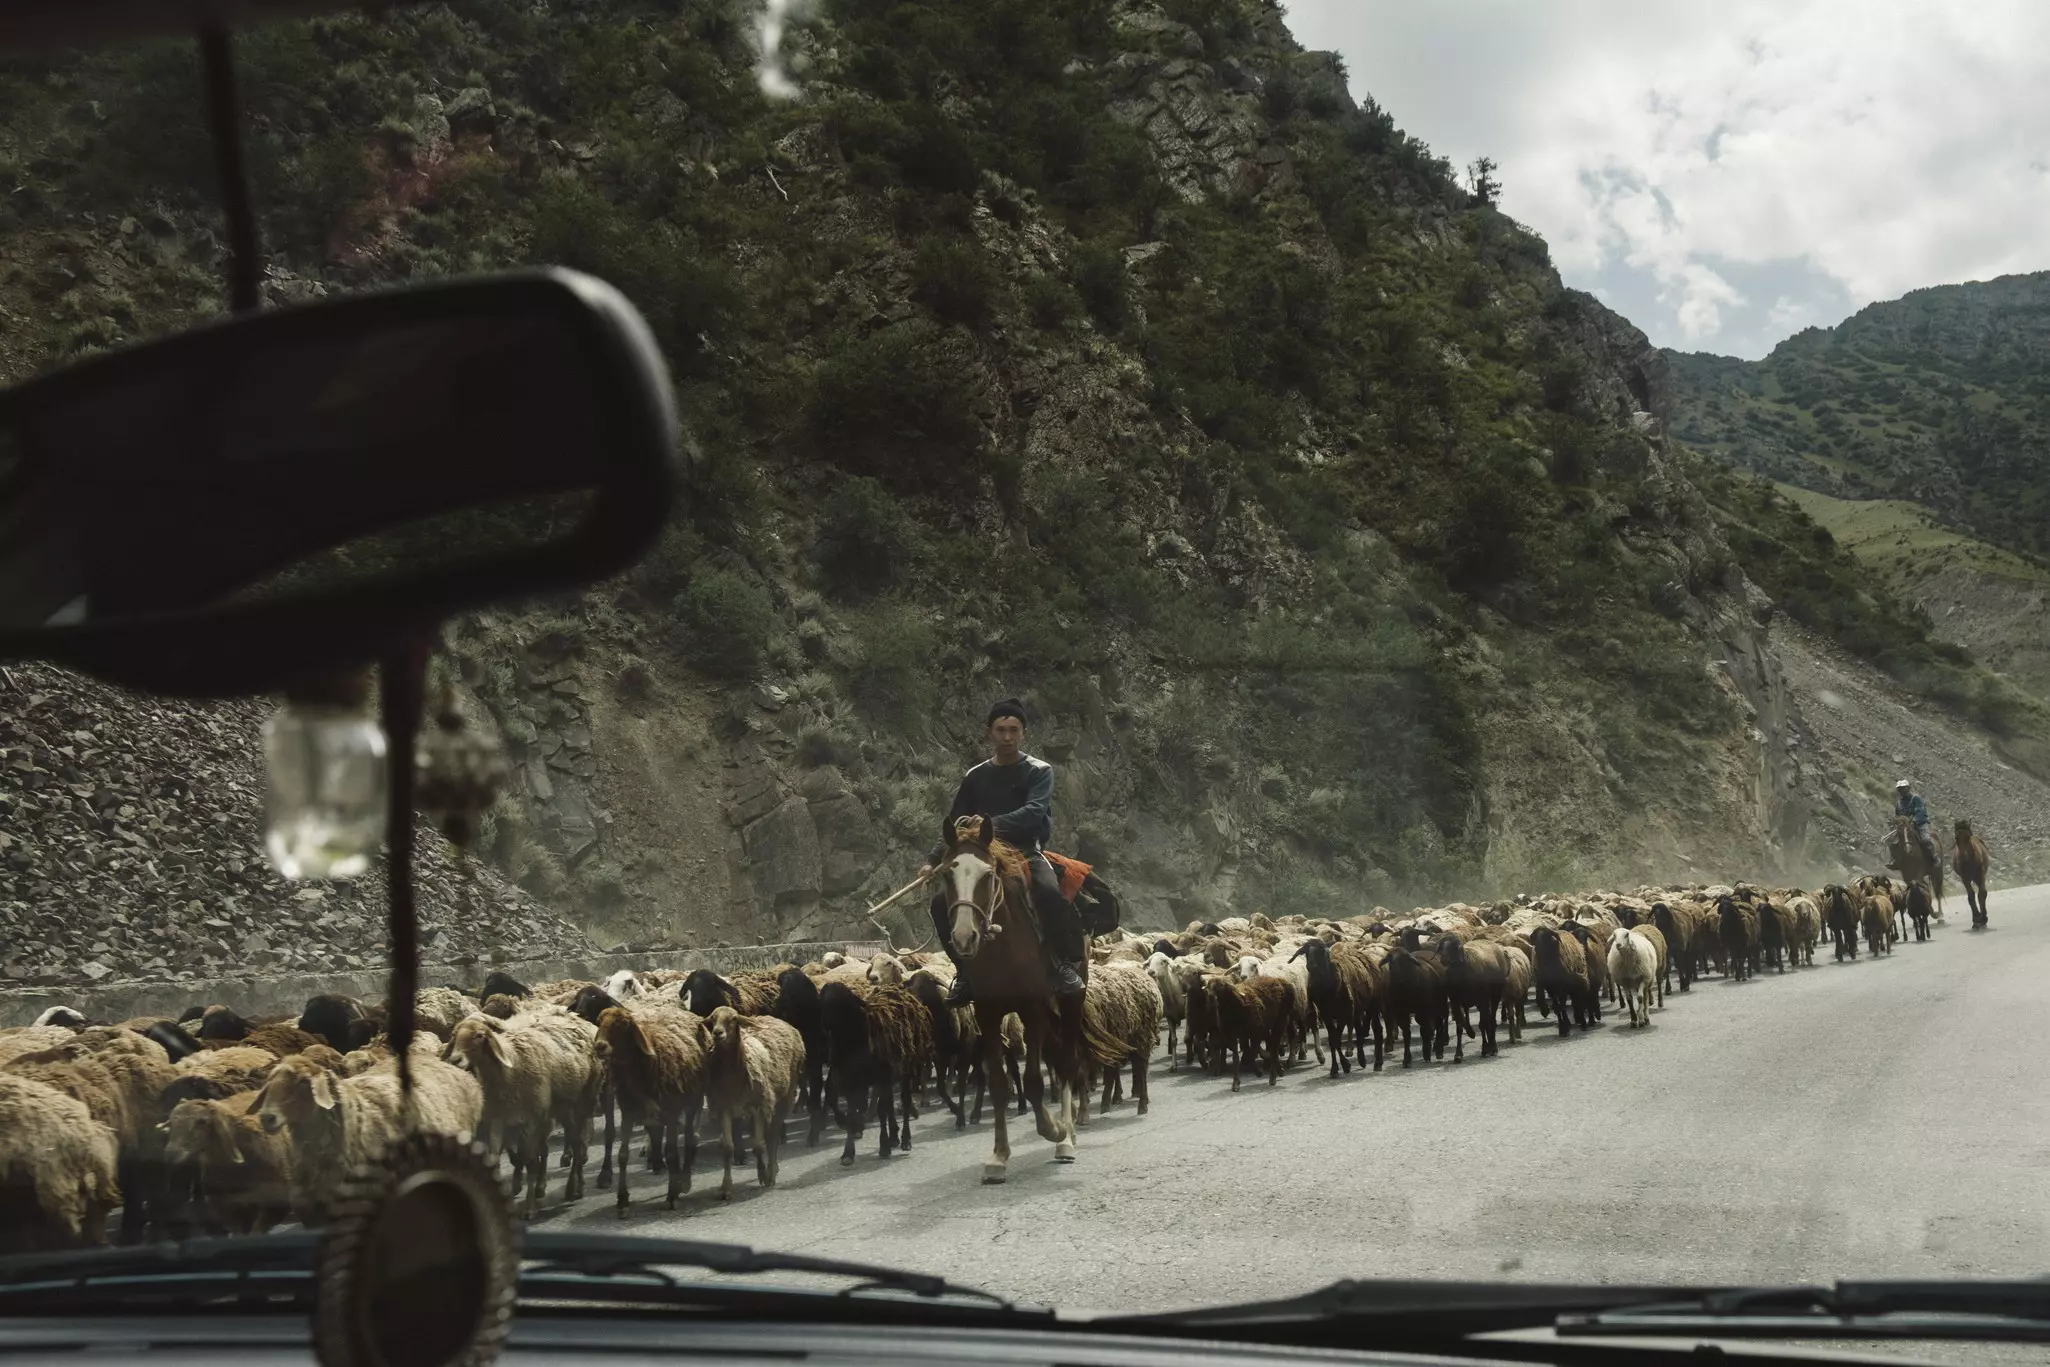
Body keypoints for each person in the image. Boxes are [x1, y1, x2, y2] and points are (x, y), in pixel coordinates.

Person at [920, 698, 1086, 1005]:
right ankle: (965, 972)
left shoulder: (1039, 770)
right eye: (1001, 730)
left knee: (1051, 894)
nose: (1007, 737)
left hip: (1025, 851)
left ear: (1023, 732)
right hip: (981, 853)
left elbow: (1034, 812)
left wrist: (989, 822)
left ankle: (1063, 964)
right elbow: (957, 820)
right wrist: (933, 859)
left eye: (1014, 730)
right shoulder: (975, 775)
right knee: (941, 903)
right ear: (990, 733)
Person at [1894, 778, 1936, 867]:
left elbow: (1920, 811)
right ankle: (1894, 860)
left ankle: (1934, 858)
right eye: (1900, 789)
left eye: (1904, 788)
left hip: (1920, 823)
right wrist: (1897, 822)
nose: (1902, 790)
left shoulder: (1915, 798)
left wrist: (1914, 821)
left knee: (1926, 840)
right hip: (1905, 826)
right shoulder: (1899, 802)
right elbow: (1897, 815)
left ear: (1908, 788)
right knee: (1893, 841)